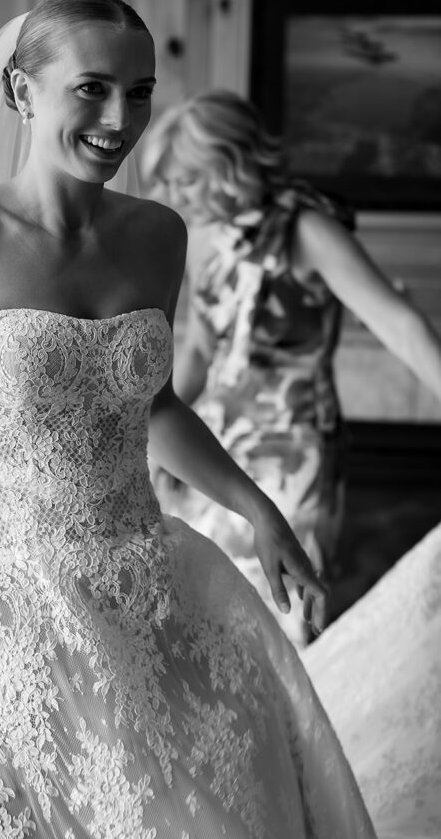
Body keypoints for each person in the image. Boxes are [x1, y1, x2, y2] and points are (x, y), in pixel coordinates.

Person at [0, 0, 377, 839]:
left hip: (147, 592)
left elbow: (151, 405)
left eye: (140, 90)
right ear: (21, 92)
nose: (119, 118)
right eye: (90, 88)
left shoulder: (160, 236)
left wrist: (260, 513)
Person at [142, 90, 441, 645]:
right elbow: (200, 350)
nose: (170, 195)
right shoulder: (204, 240)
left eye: (184, 180)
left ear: (228, 167)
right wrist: (157, 447)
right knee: (203, 596)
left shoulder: (309, 230)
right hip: (217, 439)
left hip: (295, 447)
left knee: (282, 601)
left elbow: (398, 324)